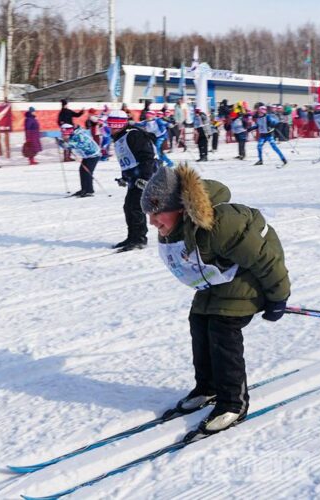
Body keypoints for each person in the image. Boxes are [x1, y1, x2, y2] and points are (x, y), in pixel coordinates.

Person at [140, 164, 290, 434]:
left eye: (157, 213)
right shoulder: (178, 226)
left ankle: (233, 402)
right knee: (199, 319)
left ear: (180, 207)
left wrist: (278, 297)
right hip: (221, 277)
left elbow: (265, 259)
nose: (152, 222)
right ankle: (207, 388)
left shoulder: (221, 223)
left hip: (251, 276)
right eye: (150, 215)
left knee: (223, 326)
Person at [109, 109, 156, 251]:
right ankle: (132, 237)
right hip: (133, 178)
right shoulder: (120, 137)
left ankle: (139, 239)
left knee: (135, 208)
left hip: (143, 177)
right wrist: (124, 178)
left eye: (111, 126)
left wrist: (145, 178)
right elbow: (128, 160)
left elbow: (147, 157)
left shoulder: (133, 135)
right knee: (128, 207)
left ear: (118, 125)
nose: (109, 129)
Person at [59, 124, 101, 197]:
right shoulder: (73, 135)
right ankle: (84, 189)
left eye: (65, 134)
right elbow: (68, 146)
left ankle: (89, 190)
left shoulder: (79, 135)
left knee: (87, 172)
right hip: (86, 156)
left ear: (69, 132)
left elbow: (82, 144)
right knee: (82, 171)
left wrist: (68, 144)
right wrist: (61, 144)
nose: (64, 136)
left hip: (93, 155)